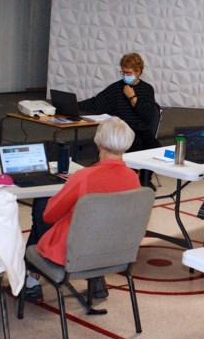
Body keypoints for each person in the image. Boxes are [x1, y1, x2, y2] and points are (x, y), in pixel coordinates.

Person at [26, 117, 141, 300]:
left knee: (41, 207)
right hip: (115, 251)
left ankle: (32, 280)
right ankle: (96, 277)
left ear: (98, 142)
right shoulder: (133, 178)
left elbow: (49, 215)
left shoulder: (84, 177)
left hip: (77, 252)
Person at [78, 52, 160, 152]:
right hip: (121, 132)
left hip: (141, 132)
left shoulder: (147, 89)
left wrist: (132, 97)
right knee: (129, 144)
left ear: (138, 72)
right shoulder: (116, 88)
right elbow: (96, 103)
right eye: (123, 72)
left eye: (128, 73)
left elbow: (146, 115)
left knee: (157, 151)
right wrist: (74, 105)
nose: (125, 76)